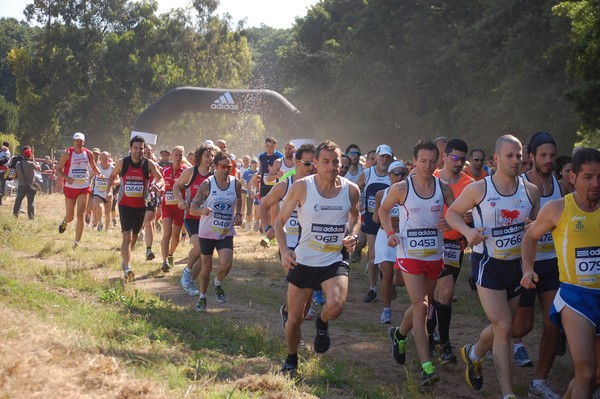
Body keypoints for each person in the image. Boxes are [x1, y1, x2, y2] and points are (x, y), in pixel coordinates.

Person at [446, 134, 540, 399]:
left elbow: (532, 232)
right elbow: (452, 213)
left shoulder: (531, 191)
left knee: (505, 327)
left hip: (516, 266)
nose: (515, 160)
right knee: (503, 324)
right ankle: (508, 394)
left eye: (519, 155)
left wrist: (533, 230)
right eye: (509, 156)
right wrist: (468, 231)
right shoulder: (479, 189)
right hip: (487, 263)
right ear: (496, 158)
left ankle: (474, 353)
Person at [274, 140, 360, 377]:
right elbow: (278, 222)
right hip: (303, 260)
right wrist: (284, 250)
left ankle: (322, 323)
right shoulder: (302, 187)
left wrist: (352, 235)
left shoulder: (350, 189)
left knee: (335, 307)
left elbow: (356, 216)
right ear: (316, 164)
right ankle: (291, 359)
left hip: (333, 260)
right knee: (294, 319)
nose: (332, 167)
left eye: (336, 162)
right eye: (326, 162)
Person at [521, 147, 600, 399]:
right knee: (586, 372)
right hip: (575, 299)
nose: (596, 183)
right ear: (573, 177)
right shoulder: (557, 209)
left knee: (595, 377)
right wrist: (528, 269)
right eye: (588, 177)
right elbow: (530, 238)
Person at [380, 140, 454, 387]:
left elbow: (456, 214)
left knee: (425, 303)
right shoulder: (402, 188)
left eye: (432, 161)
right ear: (414, 161)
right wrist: (391, 233)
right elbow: (383, 211)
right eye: (423, 161)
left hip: (434, 256)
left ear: (438, 161)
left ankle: (399, 334)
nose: (427, 166)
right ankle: (426, 367)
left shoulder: (443, 188)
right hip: (408, 254)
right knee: (421, 307)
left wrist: (450, 222)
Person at [508, 131, 563, 399]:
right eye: (543, 155)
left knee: (554, 324)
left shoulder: (561, 184)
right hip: (524, 263)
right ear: (532, 157)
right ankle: (480, 348)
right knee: (520, 327)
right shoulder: (519, 184)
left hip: (551, 263)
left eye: (552, 155)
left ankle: (538, 382)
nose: (549, 160)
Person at [260, 144, 318, 324]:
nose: (311, 167)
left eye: (314, 163)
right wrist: (268, 227)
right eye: (307, 163)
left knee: (309, 291)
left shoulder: (319, 186)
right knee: (298, 286)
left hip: (311, 245)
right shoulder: (285, 185)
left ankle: (288, 312)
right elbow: (264, 204)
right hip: (289, 244)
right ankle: (292, 321)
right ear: (297, 163)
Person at [429, 138, 474, 363]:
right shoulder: (431, 178)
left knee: (442, 294)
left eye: (462, 159)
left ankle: (434, 336)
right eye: (454, 157)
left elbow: (478, 217)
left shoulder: (470, 183)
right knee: (438, 293)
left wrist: (469, 218)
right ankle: (442, 343)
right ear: (444, 156)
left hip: (455, 245)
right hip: (430, 243)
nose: (458, 162)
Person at [189, 150, 242, 312]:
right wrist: (202, 211)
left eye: (229, 167)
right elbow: (193, 208)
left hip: (225, 230)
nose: (226, 169)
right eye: (223, 166)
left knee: (226, 265)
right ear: (215, 167)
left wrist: (238, 214)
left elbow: (239, 198)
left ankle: (217, 283)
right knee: (206, 267)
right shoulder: (207, 184)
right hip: (207, 232)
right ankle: (202, 297)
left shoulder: (235, 183)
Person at [107, 135, 164, 282]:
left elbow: (161, 178)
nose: (138, 151)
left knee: (134, 237)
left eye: (141, 148)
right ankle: (127, 267)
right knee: (126, 235)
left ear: (144, 149)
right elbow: (112, 176)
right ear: (131, 148)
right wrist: (108, 190)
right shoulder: (122, 163)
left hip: (140, 206)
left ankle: (125, 258)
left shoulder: (148, 164)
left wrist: (157, 186)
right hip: (125, 204)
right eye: (136, 148)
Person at [173, 143, 214, 296]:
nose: (210, 159)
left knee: (205, 256)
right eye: (207, 156)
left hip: (208, 219)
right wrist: (180, 200)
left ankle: (189, 283)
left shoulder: (214, 175)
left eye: (212, 156)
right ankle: (187, 271)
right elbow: (176, 186)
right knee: (199, 247)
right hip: (191, 217)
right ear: (200, 157)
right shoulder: (191, 172)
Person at [371, 160, 408, 324]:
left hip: (403, 237)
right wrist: (378, 217)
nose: (400, 177)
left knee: (400, 281)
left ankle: (391, 282)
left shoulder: (410, 193)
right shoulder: (382, 194)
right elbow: (376, 215)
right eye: (396, 174)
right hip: (385, 235)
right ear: (389, 175)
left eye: (403, 173)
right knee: (387, 273)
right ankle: (386, 310)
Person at [356, 144, 392, 303]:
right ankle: (373, 288)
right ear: (376, 157)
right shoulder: (368, 173)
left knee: (387, 255)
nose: (384, 160)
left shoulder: (393, 174)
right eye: (382, 156)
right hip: (370, 217)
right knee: (373, 253)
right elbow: (355, 188)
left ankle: (389, 283)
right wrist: (357, 203)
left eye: (387, 157)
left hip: (388, 218)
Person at [56, 132, 104, 249]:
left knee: (80, 215)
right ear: (73, 141)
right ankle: (65, 222)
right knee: (70, 216)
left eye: (80, 141)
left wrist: (99, 173)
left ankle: (76, 243)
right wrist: (66, 177)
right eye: (76, 140)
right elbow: (58, 169)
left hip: (84, 187)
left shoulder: (89, 154)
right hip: (70, 187)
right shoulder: (68, 154)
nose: (78, 143)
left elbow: (93, 167)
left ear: (84, 142)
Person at [160, 146, 188, 272]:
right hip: (167, 205)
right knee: (167, 233)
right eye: (176, 155)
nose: (178, 157)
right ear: (171, 156)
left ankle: (171, 254)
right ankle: (164, 261)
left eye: (180, 155)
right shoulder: (165, 170)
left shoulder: (186, 171)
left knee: (175, 235)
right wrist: (159, 188)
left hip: (179, 207)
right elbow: (161, 182)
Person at [12, 147, 40, 219]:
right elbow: (39, 168)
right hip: (30, 185)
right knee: (30, 202)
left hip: (21, 185)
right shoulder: (31, 164)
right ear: (30, 156)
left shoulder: (18, 164)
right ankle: (31, 217)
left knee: (18, 201)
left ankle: (15, 215)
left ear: (23, 155)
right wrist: (33, 160)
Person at [91, 151, 116, 231]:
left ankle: (106, 229)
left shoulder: (112, 168)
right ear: (100, 158)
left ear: (109, 158)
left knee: (107, 213)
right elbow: (90, 177)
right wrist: (88, 185)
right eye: (102, 158)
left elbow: (118, 180)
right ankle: (100, 223)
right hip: (97, 191)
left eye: (106, 158)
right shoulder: (97, 167)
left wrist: (112, 182)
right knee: (99, 207)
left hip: (108, 192)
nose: (104, 160)